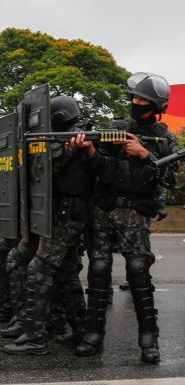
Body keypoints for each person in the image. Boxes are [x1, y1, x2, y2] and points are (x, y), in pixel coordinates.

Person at [72, 72, 181, 363]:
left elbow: (169, 180)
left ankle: (149, 340)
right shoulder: (116, 128)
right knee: (97, 271)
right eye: (134, 97)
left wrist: (145, 155)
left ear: (156, 105)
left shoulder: (165, 138)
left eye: (142, 99)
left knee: (137, 272)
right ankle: (93, 334)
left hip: (136, 213)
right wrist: (91, 149)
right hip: (105, 209)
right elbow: (100, 168)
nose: (136, 103)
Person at [3, 95, 92, 355]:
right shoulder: (67, 137)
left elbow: (51, 164)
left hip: (68, 215)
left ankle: (36, 337)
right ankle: (78, 329)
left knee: (39, 268)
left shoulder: (77, 138)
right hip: (58, 214)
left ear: (59, 118)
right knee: (65, 274)